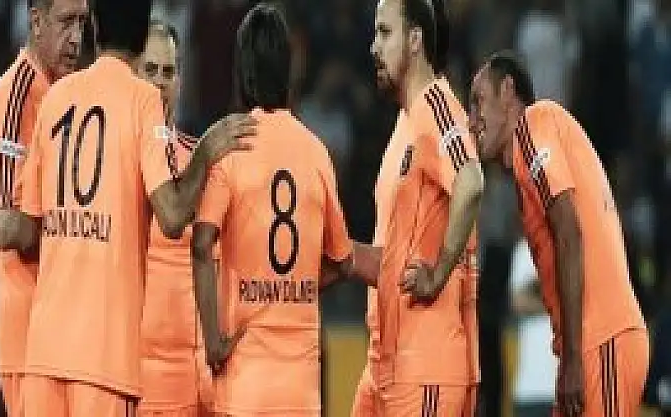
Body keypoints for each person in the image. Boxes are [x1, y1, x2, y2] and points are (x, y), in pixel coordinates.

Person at [0, 0, 256, 414]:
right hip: (105, 358)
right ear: (140, 37)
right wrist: (204, 153)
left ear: (95, 27)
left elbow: (23, 227)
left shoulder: (56, 97)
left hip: (45, 351)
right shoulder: (142, 99)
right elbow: (172, 215)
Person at [191, 4, 357, 416]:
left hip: (244, 382)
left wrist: (213, 340)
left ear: (241, 71)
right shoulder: (316, 152)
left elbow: (201, 245)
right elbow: (343, 261)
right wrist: (296, 284)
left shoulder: (233, 147)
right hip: (300, 388)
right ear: (288, 71)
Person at [468, 50, 649, 417]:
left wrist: (572, 360)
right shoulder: (527, 168)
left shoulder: (535, 122)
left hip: (602, 342)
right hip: (590, 347)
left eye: (478, 102)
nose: (472, 121)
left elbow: (569, 231)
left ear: (508, 91)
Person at [366, 0, 484, 414]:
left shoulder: (437, 106)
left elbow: (471, 181)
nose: (373, 47)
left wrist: (437, 273)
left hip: (426, 363)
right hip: (388, 360)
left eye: (385, 33)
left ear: (415, 39)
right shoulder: (406, 120)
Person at [0, 0, 88, 415]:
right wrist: (76, 230)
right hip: (28, 333)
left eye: (82, 23)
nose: (76, 38)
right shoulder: (18, 92)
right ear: (36, 21)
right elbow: (7, 226)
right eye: (66, 22)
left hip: (63, 328)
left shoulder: (69, 94)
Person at [136, 20, 214, 416]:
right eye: (150, 70)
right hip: (136, 379)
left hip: (196, 380)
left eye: (169, 72)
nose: (160, 83)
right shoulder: (115, 164)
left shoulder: (202, 163)